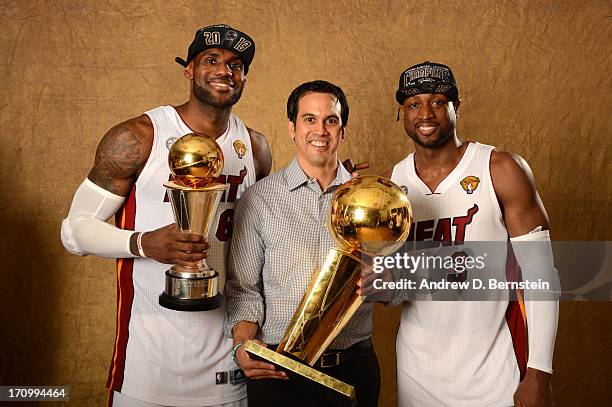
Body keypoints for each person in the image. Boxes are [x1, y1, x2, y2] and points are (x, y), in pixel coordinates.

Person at [60, 24, 272, 407]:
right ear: (188, 69)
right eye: (211, 60)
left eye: (237, 65)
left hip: (229, 367)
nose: (225, 71)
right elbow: (73, 232)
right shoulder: (139, 136)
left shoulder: (254, 146)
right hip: (148, 366)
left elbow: (265, 237)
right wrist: (143, 242)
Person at [389, 62, 558, 407]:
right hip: (417, 372)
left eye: (437, 101)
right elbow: (399, 282)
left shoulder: (500, 168)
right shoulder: (395, 181)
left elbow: (542, 274)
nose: (426, 113)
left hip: (494, 371)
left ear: (456, 107)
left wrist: (539, 372)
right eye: (414, 104)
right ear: (401, 113)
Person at [224, 80, 380, 407]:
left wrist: (386, 281)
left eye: (331, 120)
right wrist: (242, 346)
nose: (320, 130)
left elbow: (397, 289)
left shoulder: (373, 201)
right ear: (292, 128)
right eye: (309, 119)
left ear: (343, 130)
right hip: (279, 373)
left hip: (354, 369)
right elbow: (244, 289)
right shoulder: (259, 199)